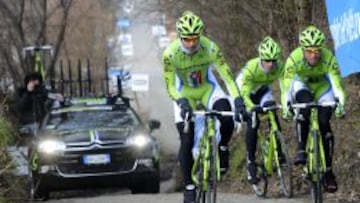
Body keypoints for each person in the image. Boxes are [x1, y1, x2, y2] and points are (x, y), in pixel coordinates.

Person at [162, 11, 245, 203]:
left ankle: (222, 147)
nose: (191, 43)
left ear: (200, 35)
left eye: (195, 38)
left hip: (208, 89)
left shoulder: (210, 48)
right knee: (187, 138)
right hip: (184, 95)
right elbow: (170, 85)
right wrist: (180, 101)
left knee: (227, 116)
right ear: (180, 37)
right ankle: (189, 186)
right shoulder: (170, 54)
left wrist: (238, 101)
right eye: (186, 39)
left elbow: (227, 78)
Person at [281, 25, 347, 193]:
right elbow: (286, 88)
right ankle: (302, 149)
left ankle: (329, 172)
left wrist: (341, 105)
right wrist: (286, 106)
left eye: (317, 51)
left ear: (322, 49)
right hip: (302, 86)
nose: (313, 55)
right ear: (302, 49)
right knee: (305, 107)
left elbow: (337, 86)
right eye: (309, 51)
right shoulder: (293, 58)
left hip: (323, 88)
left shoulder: (329, 58)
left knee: (325, 123)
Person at [235, 36, 286, 184]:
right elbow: (243, 92)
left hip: (263, 91)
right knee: (252, 120)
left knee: (272, 109)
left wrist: (285, 102)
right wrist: (250, 107)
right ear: (261, 58)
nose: (271, 65)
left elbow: (285, 86)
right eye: (267, 61)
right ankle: (250, 161)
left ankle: (279, 150)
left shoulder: (280, 66)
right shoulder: (252, 67)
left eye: (273, 61)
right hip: (245, 92)